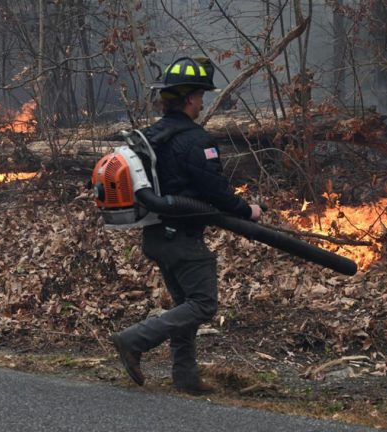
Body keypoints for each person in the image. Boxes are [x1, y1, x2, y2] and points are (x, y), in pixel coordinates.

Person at [110, 57, 262, 395]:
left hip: (156, 235)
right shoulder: (196, 140)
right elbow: (215, 191)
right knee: (203, 304)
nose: (203, 103)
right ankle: (133, 340)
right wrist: (247, 210)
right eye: (201, 96)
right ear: (190, 99)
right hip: (182, 238)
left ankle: (186, 380)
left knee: (185, 308)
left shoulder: (150, 137)